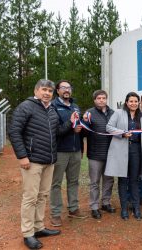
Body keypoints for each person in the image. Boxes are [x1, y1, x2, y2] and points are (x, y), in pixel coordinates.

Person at [9, 79, 75, 249]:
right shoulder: (26, 107)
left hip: (49, 160)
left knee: (43, 195)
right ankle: (28, 233)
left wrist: (71, 121)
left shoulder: (51, 109)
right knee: (30, 197)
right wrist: (22, 156)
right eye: (44, 90)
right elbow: (14, 131)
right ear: (36, 90)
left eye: (49, 91)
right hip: (32, 161)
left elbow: (58, 132)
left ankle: (38, 227)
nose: (47, 93)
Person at [105, 92, 142, 221]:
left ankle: (136, 208)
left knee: (134, 180)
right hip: (122, 149)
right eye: (131, 101)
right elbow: (108, 127)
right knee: (123, 180)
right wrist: (122, 133)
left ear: (138, 103)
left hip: (136, 150)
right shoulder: (118, 113)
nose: (133, 103)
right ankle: (124, 209)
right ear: (126, 102)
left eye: (135, 101)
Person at [49, 80, 87, 227]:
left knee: (73, 181)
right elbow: (55, 130)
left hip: (75, 150)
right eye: (63, 88)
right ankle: (56, 213)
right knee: (56, 184)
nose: (66, 90)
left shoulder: (75, 106)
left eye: (69, 88)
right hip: (60, 151)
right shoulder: (52, 107)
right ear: (57, 91)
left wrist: (80, 128)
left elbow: (78, 128)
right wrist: (71, 125)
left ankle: (73, 208)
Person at [82, 90, 116, 219]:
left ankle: (106, 203)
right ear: (94, 100)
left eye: (103, 98)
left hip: (111, 153)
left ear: (106, 99)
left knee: (109, 180)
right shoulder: (89, 114)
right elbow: (83, 134)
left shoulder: (113, 113)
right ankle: (94, 206)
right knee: (94, 182)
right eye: (99, 98)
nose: (101, 100)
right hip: (95, 154)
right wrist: (84, 122)